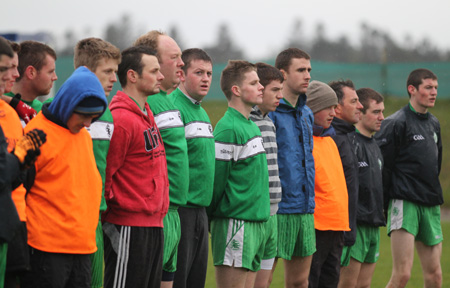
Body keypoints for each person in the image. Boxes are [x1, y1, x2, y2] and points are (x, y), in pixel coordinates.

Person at [21, 66, 107, 288]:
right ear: (68, 105)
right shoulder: (35, 134)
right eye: (85, 116)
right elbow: (20, 190)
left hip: (83, 249)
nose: (89, 123)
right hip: (46, 252)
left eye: (94, 117)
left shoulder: (83, 136)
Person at [102, 46, 169, 288]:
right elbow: (105, 174)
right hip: (127, 225)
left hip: (152, 223)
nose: (161, 76)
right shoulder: (121, 119)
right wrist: (115, 214)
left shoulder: (146, 112)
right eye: (154, 71)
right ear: (132, 76)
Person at [375, 69, 443, 288]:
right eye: (428, 87)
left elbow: (435, 164)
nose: (434, 93)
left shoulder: (434, 123)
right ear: (412, 90)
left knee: (435, 276)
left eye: (435, 88)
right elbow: (383, 168)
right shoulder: (396, 123)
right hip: (404, 203)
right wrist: (383, 204)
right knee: (402, 275)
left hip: (430, 203)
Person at [133, 31, 190, 288]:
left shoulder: (168, 102)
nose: (182, 63)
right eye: (174, 57)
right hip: (155, 216)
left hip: (175, 214)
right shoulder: (146, 103)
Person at [208, 60, 269, 288]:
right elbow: (216, 183)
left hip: (256, 224)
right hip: (236, 224)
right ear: (236, 90)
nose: (261, 87)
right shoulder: (228, 128)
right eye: (254, 83)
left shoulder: (251, 125)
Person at [73, 37, 121, 288]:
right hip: (71, 216)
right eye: (108, 71)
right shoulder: (66, 109)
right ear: (87, 72)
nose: (114, 78)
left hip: (96, 213)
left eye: (115, 71)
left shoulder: (107, 112)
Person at [268, 48, 315, 288]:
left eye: (308, 70)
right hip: (277, 209)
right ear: (283, 74)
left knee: (299, 282)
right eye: (300, 70)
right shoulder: (270, 113)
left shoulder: (307, 113)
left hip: (305, 208)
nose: (307, 75)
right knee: (261, 280)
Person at [169, 48, 215, 288]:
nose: (206, 78)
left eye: (209, 73)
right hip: (181, 211)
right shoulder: (173, 108)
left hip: (201, 213)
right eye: (199, 72)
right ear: (182, 74)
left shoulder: (203, 112)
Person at [337, 88, 385, 288]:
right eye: (375, 112)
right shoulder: (350, 142)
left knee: (364, 285)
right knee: (347, 285)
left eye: (382, 111)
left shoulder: (375, 143)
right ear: (360, 113)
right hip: (355, 225)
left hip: (374, 224)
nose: (381, 117)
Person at [306, 81, 350, 288]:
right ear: (312, 107)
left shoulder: (330, 140)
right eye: (328, 107)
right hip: (317, 225)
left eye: (335, 107)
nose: (333, 113)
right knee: (311, 280)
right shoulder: (306, 141)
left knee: (330, 281)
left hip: (337, 225)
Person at [246, 62, 283, 288]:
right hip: (254, 213)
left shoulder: (269, 121)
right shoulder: (247, 122)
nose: (280, 96)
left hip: (273, 213)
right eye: (275, 90)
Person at [328, 80, 362, 264]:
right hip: (333, 231)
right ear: (337, 108)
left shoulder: (349, 136)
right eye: (354, 101)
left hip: (347, 228)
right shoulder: (331, 138)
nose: (360, 106)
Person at [6, 41, 57, 112]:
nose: (55, 77)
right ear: (31, 72)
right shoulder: (3, 105)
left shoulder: (42, 110)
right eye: (50, 72)